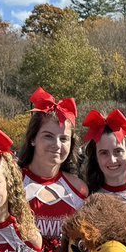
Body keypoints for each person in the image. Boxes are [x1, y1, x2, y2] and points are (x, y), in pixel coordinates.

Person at [17, 88, 87, 241]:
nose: (56, 145)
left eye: (63, 139)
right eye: (48, 136)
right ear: (32, 139)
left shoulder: (79, 189)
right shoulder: (13, 184)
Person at [80, 109, 126, 206]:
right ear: (95, 158)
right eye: (104, 153)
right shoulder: (89, 201)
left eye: (118, 151)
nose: (112, 159)